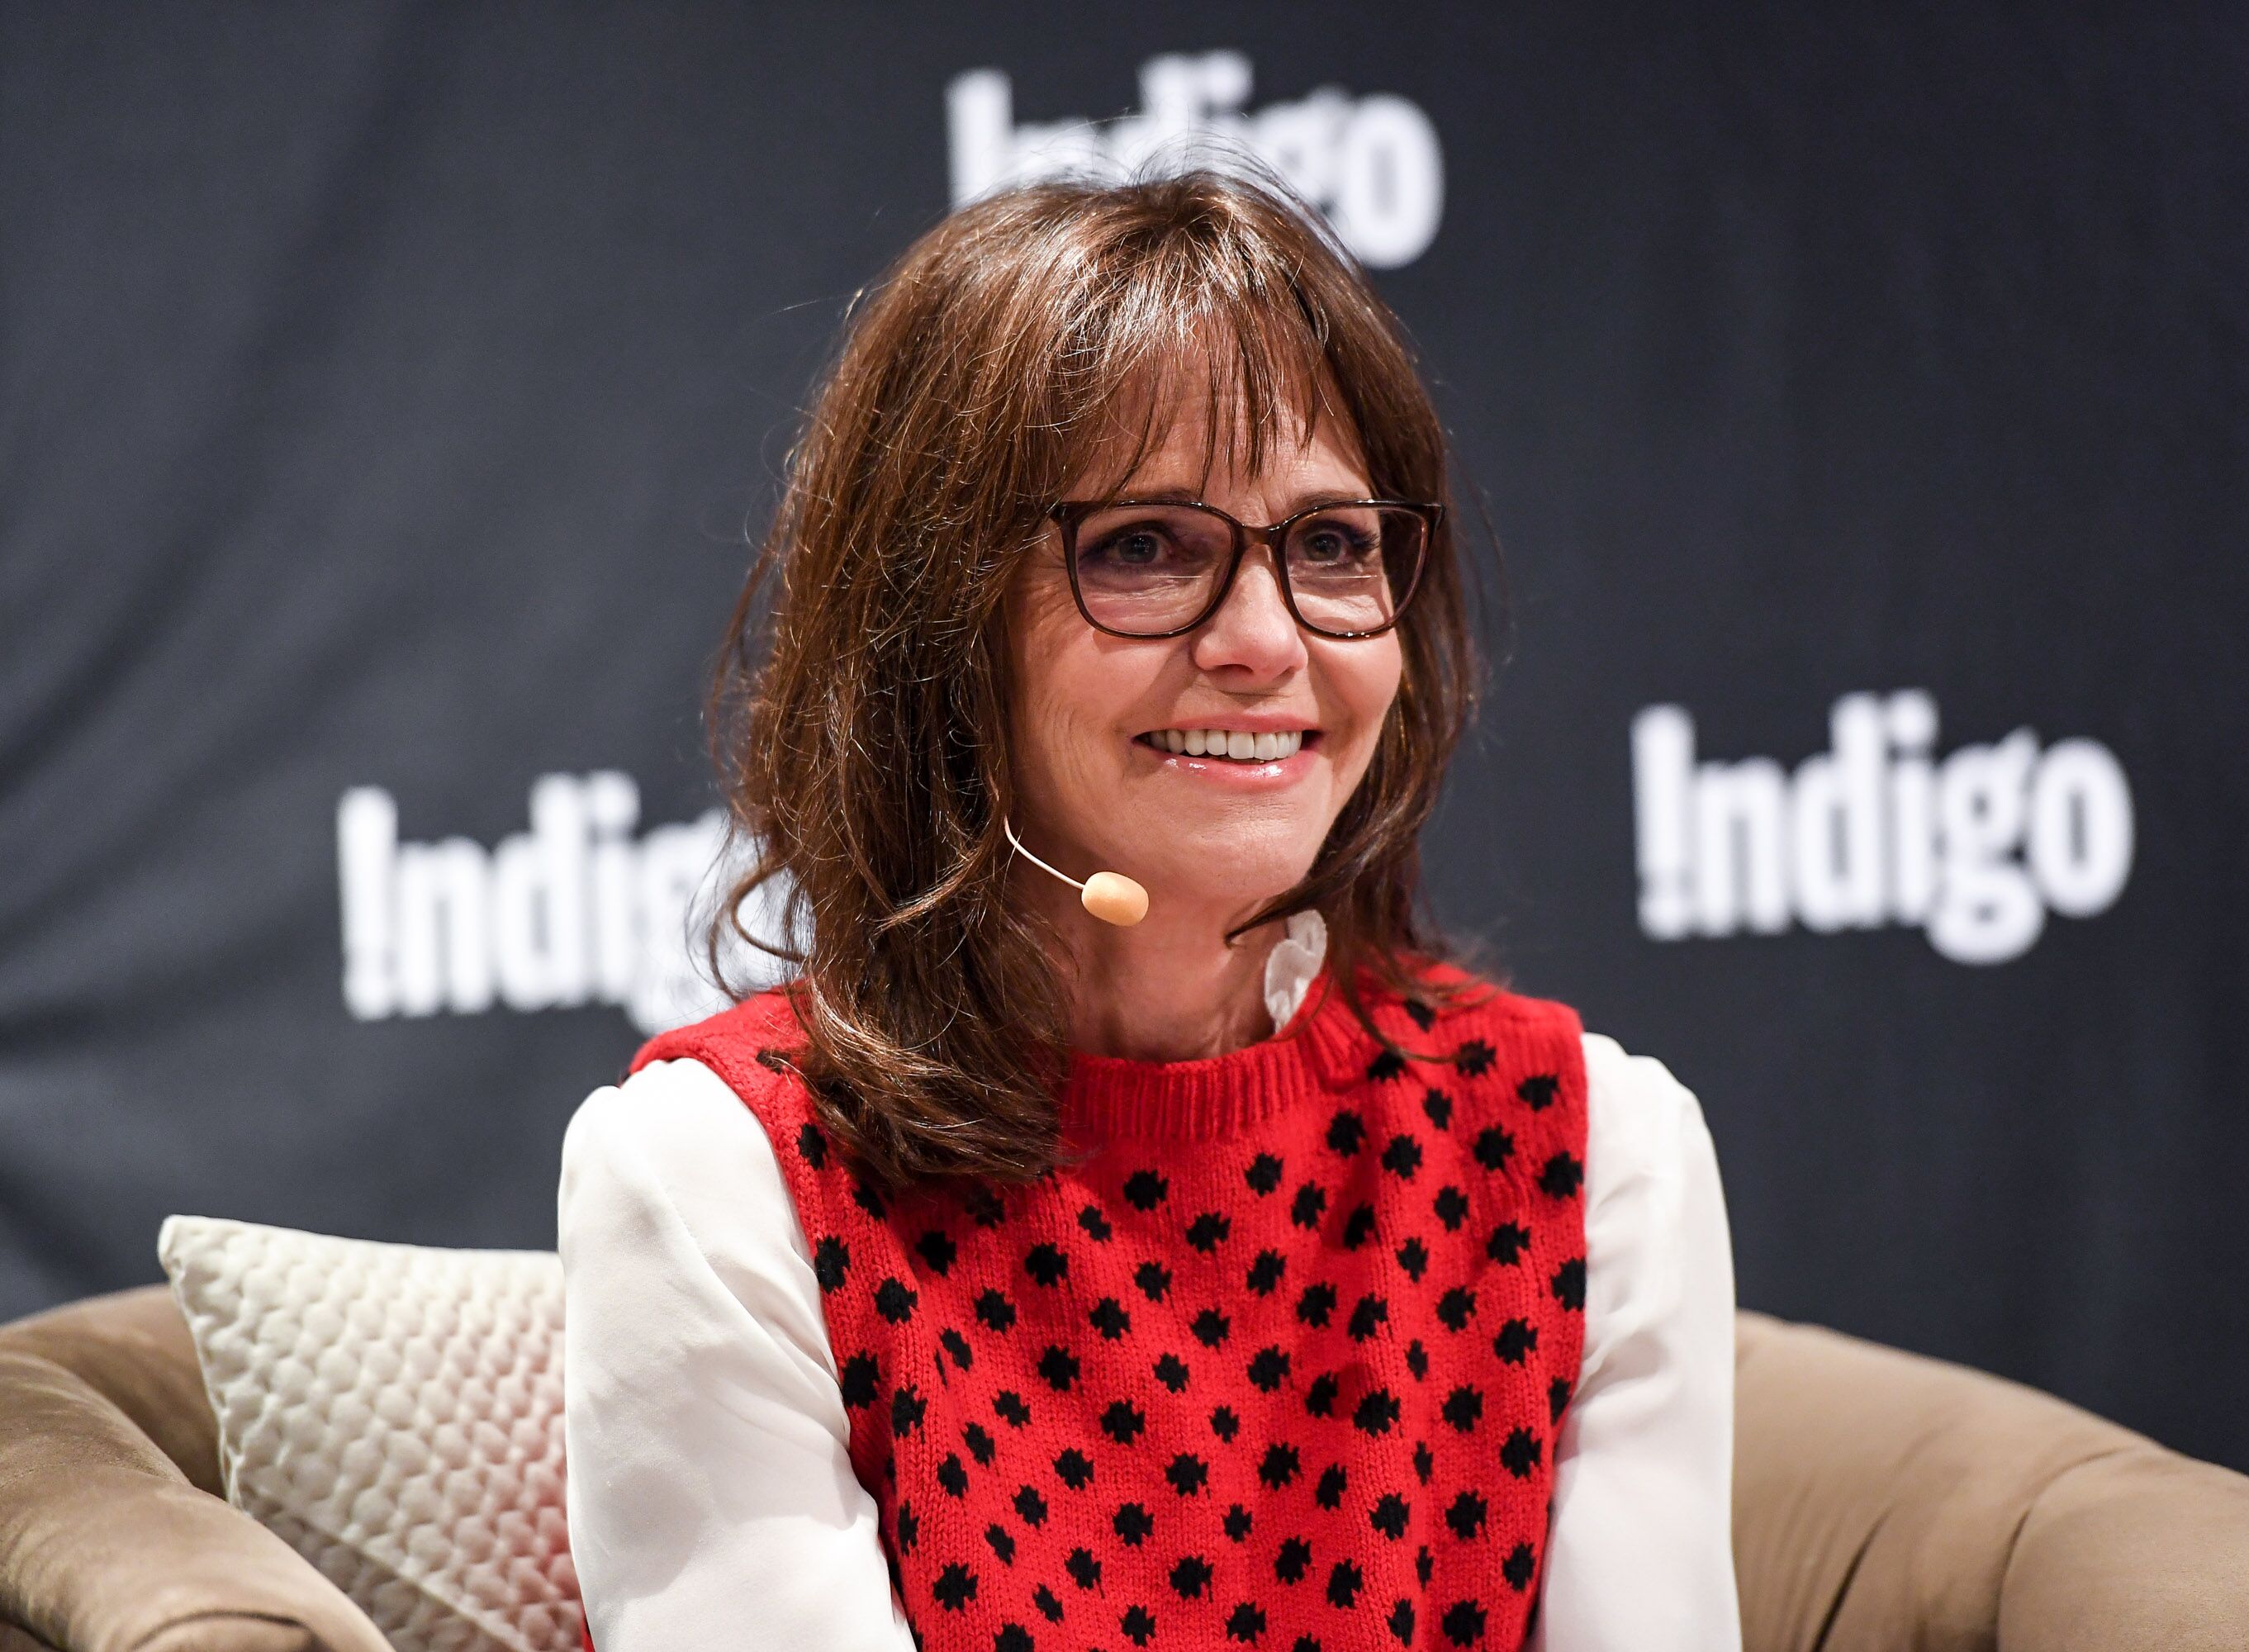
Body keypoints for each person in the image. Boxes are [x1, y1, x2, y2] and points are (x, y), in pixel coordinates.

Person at [558, 167, 1738, 1652]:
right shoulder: (718, 1176)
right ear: (940, 631)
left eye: (1331, 545)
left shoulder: (1593, 1150)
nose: (1265, 643)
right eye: (1143, 548)